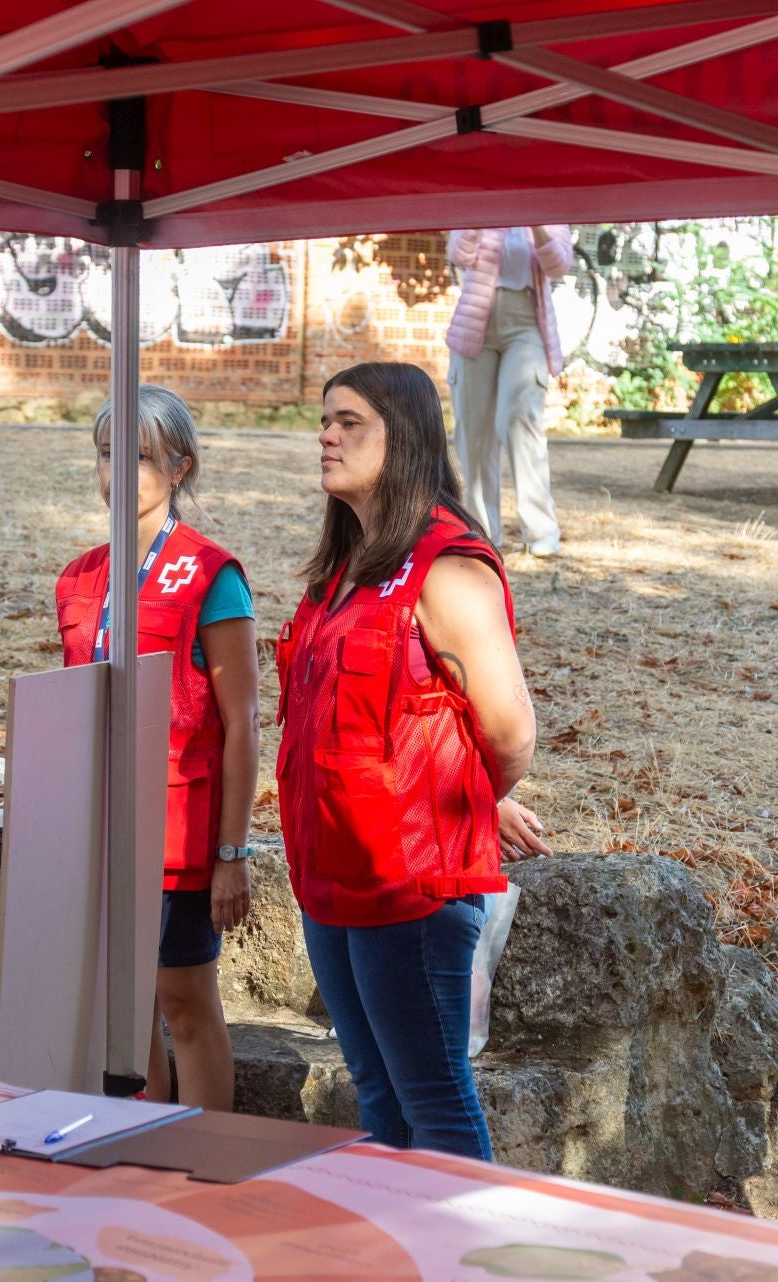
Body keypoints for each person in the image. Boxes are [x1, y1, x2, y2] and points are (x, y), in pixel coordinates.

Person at [276, 361, 552, 1160]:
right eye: (325, 420)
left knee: (434, 1103)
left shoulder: (446, 566)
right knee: (376, 1095)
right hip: (330, 877)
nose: (327, 435)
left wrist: (461, 799)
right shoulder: (345, 565)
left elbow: (509, 732)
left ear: (406, 440)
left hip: (411, 886)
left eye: (350, 422)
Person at [54, 385, 257, 1110]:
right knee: (122, 1011)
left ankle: (207, 1163)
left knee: (181, 1002)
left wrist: (232, 854)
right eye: (108, 454)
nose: (118, 471)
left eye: (139, 457)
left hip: (181, 834)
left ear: (179, 468)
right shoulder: (81, 576)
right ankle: (142, 1150)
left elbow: (243, 723)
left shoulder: (211, 574)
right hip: (101, 830)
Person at [445, 225, 573, 557]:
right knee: (473, 431)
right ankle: (480, 532)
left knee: (520, 419)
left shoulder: (548, 207)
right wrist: (485, 214)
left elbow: (559, 265)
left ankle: (540, 528)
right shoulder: (479, 198)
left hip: (526, 320)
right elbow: (459, 254)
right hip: (476, 320)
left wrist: (536, 222)